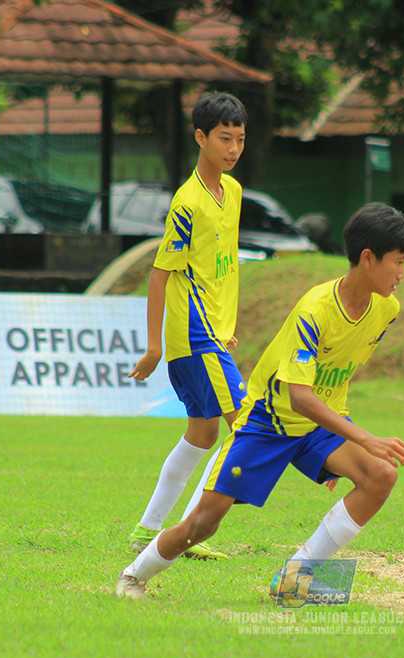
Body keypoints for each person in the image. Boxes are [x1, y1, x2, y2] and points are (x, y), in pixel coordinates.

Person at [116, 202, 404, 600]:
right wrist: (364, 438)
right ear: (368, 259)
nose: (402, 274)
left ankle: (294, 581)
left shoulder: (385, 309)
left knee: (381, 475)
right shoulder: (315, 309)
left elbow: (336, 377)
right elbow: (300, 396)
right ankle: (133, 577)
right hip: (267, 422)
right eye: (398, 262)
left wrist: (340, 445)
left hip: (315, 428)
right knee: (204, 524)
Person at [125, 91, 248, 561]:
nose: (233, 148)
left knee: (204, 433)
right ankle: (189, 532)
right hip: (190, 335)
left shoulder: (232, 192)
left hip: (209, 331)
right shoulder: (187, 202)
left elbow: (220, 265)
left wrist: (224, 323)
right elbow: (161, 275)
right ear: (201, 138)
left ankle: (148, 529)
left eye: (239, 139)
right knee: (246, 426)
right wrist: (154, 346)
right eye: (224, 138)